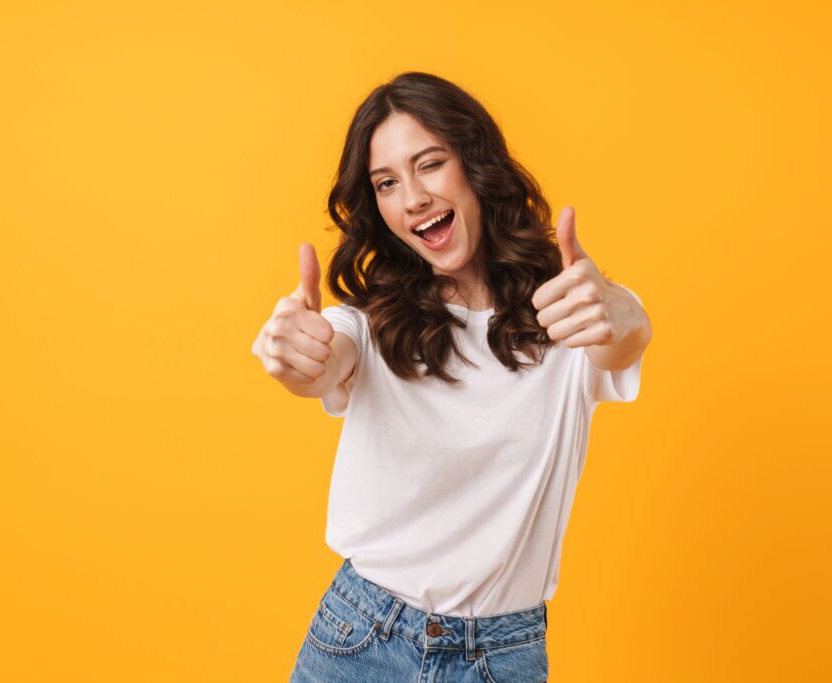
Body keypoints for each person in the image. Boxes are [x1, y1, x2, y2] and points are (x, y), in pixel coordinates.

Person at [253, 71, 653, 682]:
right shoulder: (368, 322)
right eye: (387, 182)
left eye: (430, 164)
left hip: (501, 654)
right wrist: (297, 358)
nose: (411, 197)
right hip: (361, 638)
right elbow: (326, 358)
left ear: (475, 163)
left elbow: (619, 341)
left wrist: (627, 315)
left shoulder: (569, 309)